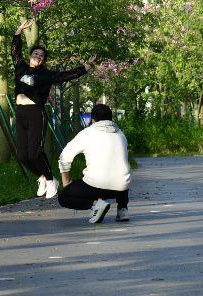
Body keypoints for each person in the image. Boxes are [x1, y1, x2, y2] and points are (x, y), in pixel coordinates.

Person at [12, 20, 97, 199]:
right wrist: (18, 32)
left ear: (43, 60)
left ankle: (51, 180)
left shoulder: (46, 75)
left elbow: (66, 75)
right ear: (30, 55)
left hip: (36, 113)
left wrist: (86, 68)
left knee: (35, 153)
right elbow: (15, 52)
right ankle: (42, 177)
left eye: (41, 56)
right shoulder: (20, 68)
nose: (38, 57)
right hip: (20, 113)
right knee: (22, 155)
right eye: (35, 54)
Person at [57, 103, 131, 223]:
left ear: (93, 120)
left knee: (63, 196)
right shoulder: (120, 134)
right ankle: (123, 210)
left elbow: (64, 157)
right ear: (111, 119)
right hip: (121, 189)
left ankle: (97, 204)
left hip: (96, 187)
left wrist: (66, 182)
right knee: (119, 172)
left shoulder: (87, 133)